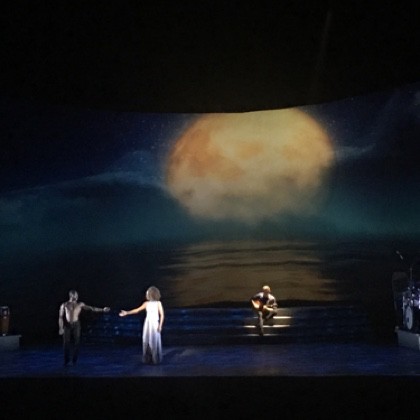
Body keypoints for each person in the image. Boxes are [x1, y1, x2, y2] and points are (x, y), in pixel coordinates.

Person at [58, 290, 110, 366]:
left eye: (77, 295)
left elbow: (92, 308)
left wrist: (102, 310)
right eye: (75, 295)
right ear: (71, 295)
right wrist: (60, 327)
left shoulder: (80, 304)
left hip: (76, 324)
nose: (77, 297)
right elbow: (60, 317)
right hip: (67, 324)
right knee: (66, 343)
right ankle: (66, 360)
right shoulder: (65, 304)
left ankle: (74, 360)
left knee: (77, 342)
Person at [119, 286, 164, 364]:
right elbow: (137, 310)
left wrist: (160, 326)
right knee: (146, 340)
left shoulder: (158, 303)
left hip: (154, 323)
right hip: (148, 323)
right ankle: (148, 358)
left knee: (154, 340)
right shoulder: (146, 303)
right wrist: (127, 312)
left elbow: (162, 315)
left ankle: (155, 358)